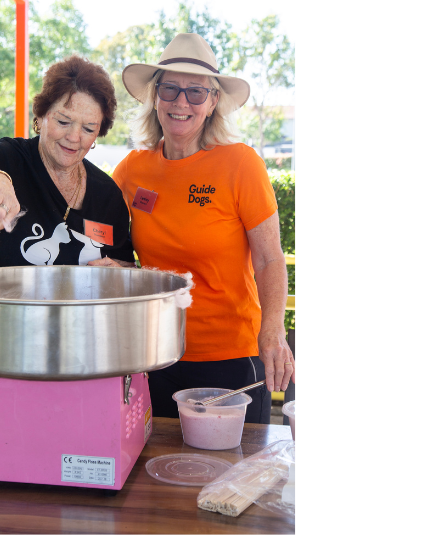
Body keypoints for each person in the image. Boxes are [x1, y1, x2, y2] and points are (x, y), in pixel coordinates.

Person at [91, 33, 295, 424]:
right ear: (155, 96)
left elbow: (270, 259)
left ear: (214, 101)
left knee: (233, 478)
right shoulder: (133, 170)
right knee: (156, 474)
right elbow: (101, 240)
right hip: (154, 351)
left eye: (196, 92)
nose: (181, 102)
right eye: (170, 89)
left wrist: (273, 329)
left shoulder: (242, 164)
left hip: (231, 358)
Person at [0, 55, 135, 269]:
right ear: (40, 116)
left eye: (88, 128)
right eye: (63, 121)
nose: (74, 137)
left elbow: (125, 265)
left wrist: (118, 274)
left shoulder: (108, 195)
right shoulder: (9, 159)